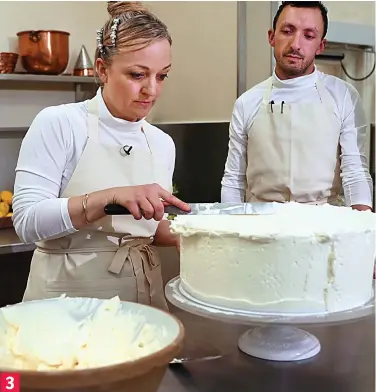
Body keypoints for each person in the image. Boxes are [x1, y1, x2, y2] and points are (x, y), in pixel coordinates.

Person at [12, 1, 190, 310]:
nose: (152, 90)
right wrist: (111, 197)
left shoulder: (161, 143)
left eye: (162, 76)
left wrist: (192, 234)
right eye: (137, 75)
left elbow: (147, 227)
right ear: (101, 69)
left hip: (144, 298)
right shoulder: (61, 123)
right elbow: (27, 221)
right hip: (66, 302)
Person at [221, 1, 374, 211]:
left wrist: (363, 230)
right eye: (287, 31)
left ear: (320, 45)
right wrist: (231, 230)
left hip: (323, 225)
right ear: (271, 37)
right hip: (260, 227)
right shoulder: (247, 103)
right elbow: (233, 179)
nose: (295, 44)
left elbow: (355, 172)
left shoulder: (344, 96)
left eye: (309, 36)